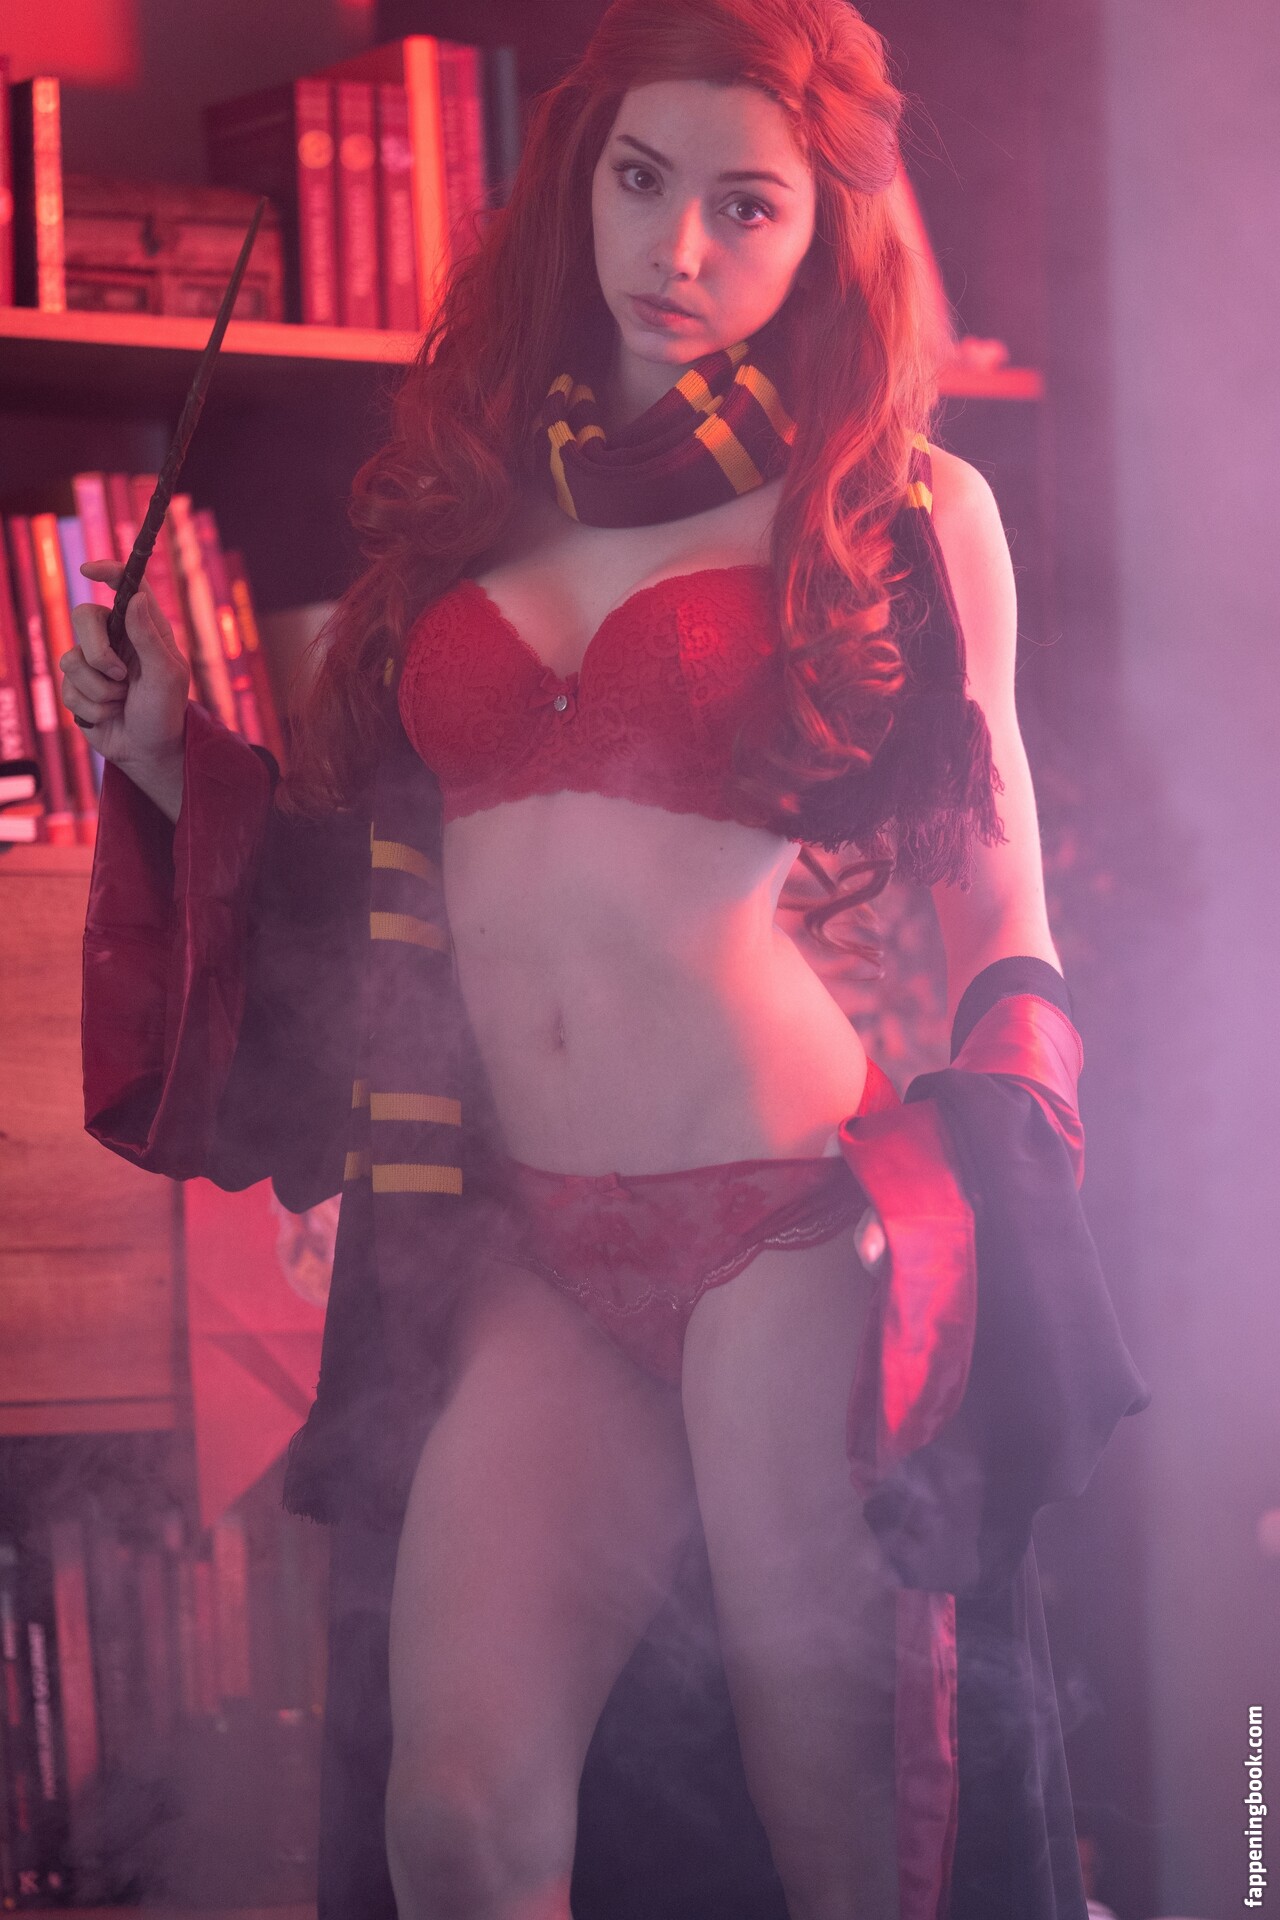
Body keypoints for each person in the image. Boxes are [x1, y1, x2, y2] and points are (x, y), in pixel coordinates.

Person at [60, 2, 1149, 1916]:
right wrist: (161, 753)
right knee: (457, 1821)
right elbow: (368, 888)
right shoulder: (476, 492)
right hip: (533, 1237)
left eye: (748, 206)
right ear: (582, 181)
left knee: (839, 1823)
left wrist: (1010, 1155)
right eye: (643, 182)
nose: (678, 250)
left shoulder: (894, 511)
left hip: (781, 1219)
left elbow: (1001, 903)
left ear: (827, 233)